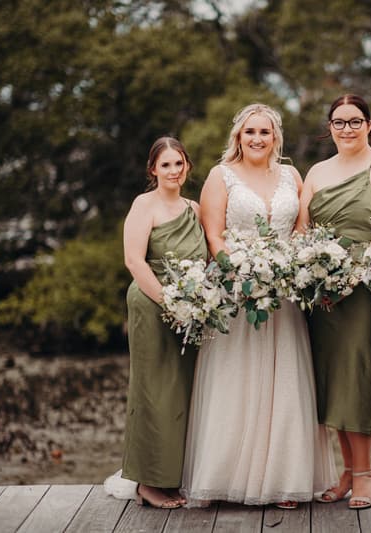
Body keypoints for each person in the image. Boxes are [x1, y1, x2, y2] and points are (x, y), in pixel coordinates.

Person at [180, 103, 336, 508]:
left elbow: (301, 229)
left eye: (264, 132)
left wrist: (294, 267)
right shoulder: (221, 177)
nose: (256, 139)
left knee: (284, 384)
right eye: (250, 132)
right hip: (236, 293)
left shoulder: (291, 175)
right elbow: (214, 236)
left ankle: (284, 481)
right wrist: (240, 273)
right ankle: (222, 479)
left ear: (275, 137)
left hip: (284, 294)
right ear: (238, 136)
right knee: (235, 381)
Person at [296, 94, 371, 510]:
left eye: (355, 121)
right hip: (322, 292)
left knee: (356, 374)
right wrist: (317, 273)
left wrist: (351, 277)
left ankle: (366, 473)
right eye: (339, 122)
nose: (347, 128)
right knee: (330, 378)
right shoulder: (317, 171)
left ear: (369, 125)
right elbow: (303, 229)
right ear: (329, 127)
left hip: (366, 291)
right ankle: (346, 471)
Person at [120, 136, 208, 508]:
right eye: (166, 165)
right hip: (152, 303)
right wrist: (169, 301)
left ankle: (173, 475)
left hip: (191, 309)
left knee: (183, 390)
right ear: (153, 169)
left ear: (187, 166)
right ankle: (148, 482)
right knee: (153, 389)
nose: (174, 171)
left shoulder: (195, 207)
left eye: (179, 163)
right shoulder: (145, 204)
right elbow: (134, 261)